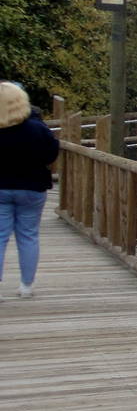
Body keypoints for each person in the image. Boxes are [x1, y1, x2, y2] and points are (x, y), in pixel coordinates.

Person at [0, 82, 59, 299]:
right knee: (28, 235)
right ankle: (26, 285)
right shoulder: (36, 128)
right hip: (32, 187)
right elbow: (51, 154)